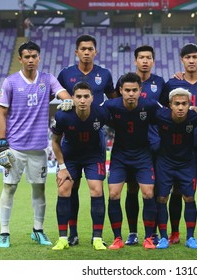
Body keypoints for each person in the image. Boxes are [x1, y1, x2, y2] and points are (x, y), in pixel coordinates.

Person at [0, 41, 72, 248]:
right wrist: (2, 144)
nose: (30, 60)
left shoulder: (47, 79)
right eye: (26, 57)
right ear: (20, 59)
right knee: (9, 188)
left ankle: (37, 230)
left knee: (39, 189)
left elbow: (63, 93)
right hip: (15, 147)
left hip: (38, 149)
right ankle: (4, 232)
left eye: (34, 56)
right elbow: (1, 112)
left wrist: (67, 100)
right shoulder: (10, 82)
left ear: (39, 58)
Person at [57, 34, 116, 246]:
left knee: (96, 189)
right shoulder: (65, 74)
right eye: (83, 49)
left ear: (95, 52)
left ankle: (96, 236)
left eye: (90, 49)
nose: (87, 52)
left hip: (95, 140)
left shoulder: (104, 74)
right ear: (76, 52)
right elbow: (57, 95)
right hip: (71, 140)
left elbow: (114, 99)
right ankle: (71, 233)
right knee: (69, 188)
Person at [160, 43, 197, 244]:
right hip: (179, 147)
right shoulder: (171, 84)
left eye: (195, 57)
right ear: (182, 60)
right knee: (177, 189)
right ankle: (175, 232)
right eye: (187, 58)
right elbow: (163, 110)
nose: (191, 61)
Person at [102, 72, 161, 250]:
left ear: (140, 90)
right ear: (120, 90)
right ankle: (118, 238)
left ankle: (149, 237)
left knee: (149, 193)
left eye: (134, 90)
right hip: (120, 156)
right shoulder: (111, 105)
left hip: (143, 155)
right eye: (127, 90)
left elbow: (169, 113)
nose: (130, 94)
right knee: (113, 194)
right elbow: (93, 110)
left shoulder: (149, 105)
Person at [115, 45, 165, 246]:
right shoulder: (123, 82)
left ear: (153, 61)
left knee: (153, 190)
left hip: (154, 144)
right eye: (141, 57)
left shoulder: (161, 83)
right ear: (135, 61)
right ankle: (133, 232)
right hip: (128, 145)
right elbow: (115, 106)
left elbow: (167, 109)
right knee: (132, 190)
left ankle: (152, 233)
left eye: (148, 58)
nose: (145, 61)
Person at [50, 81, 109, 251]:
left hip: (93, 156)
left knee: (97, 190)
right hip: (70, 157)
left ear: (92, 98)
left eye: (86, 96)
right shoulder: (63, 115)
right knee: (63, 190)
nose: (82, 100)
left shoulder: (102, 113)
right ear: (73, 98)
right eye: (78, 97)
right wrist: (62, 167)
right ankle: (63, 238)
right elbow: (54, 141)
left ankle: (97, 238)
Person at [154, 88, 197, 250]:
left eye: (184, 104)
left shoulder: (194, 117)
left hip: (187, 163)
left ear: (190, 104)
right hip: (165, 163)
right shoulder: (160, 116)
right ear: (170, 105)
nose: (181, 107)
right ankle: (162, 237)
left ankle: (190, 237)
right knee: (162, 199)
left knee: (189, 198)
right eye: (177, 104)